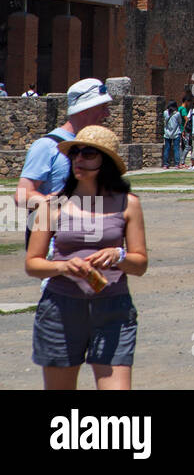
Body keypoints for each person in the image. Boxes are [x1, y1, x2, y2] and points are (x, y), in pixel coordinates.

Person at [25, 125, 148, 390]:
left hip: (113, 309)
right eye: (76, 153)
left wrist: (119, 255)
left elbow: (140, 264)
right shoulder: (52, 205)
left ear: (106, 162)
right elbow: (33, 263)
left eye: (88, 153)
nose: (79, 159)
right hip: (60, 309)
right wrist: (62, 266)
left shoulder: (128, 203)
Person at [15, 79, 113, 252]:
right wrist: (58, 202)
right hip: (58, 243)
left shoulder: (98, 146)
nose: (107, 114)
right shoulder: (46, 146)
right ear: (85, 109)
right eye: (102, 107)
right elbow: (22, 195)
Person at [161, 101, 183, 169]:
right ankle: (177, 164)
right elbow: (180, 122)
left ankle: (165, 164)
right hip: (176, 133)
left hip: (167, 133)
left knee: (167, 149)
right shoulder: (177, 114)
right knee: (176, 149)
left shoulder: (165, 112)